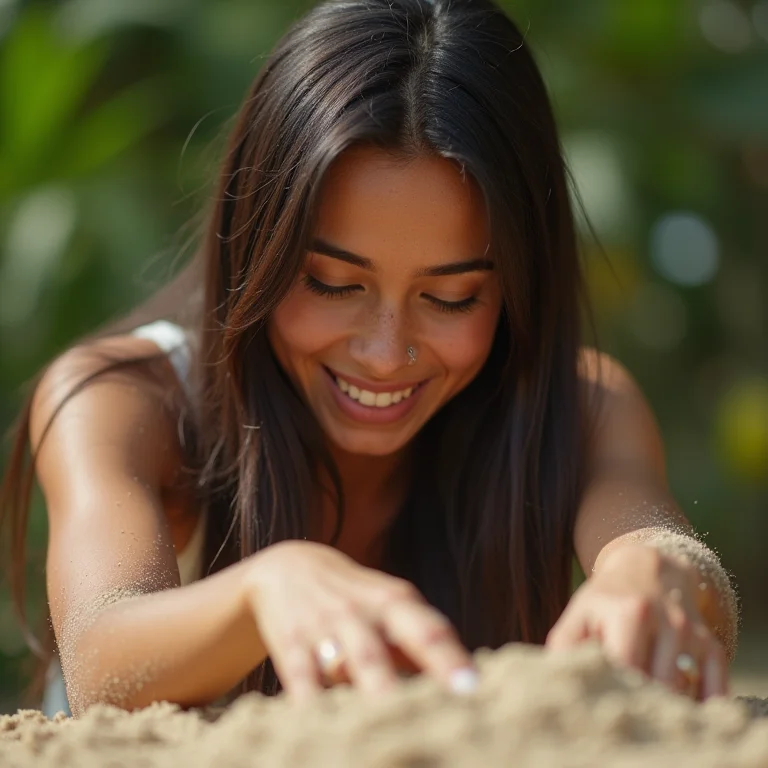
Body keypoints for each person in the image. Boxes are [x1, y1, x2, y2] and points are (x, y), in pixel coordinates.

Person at [0, 0, 738, 718]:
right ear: (256, 244)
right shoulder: (122, 400)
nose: (385, 354)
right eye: (331, 283)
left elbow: (662, 552)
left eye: (451, 298)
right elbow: (101, 656)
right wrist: (268, 588)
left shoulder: (580, 406)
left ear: (518, 290)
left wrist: (657, 569)